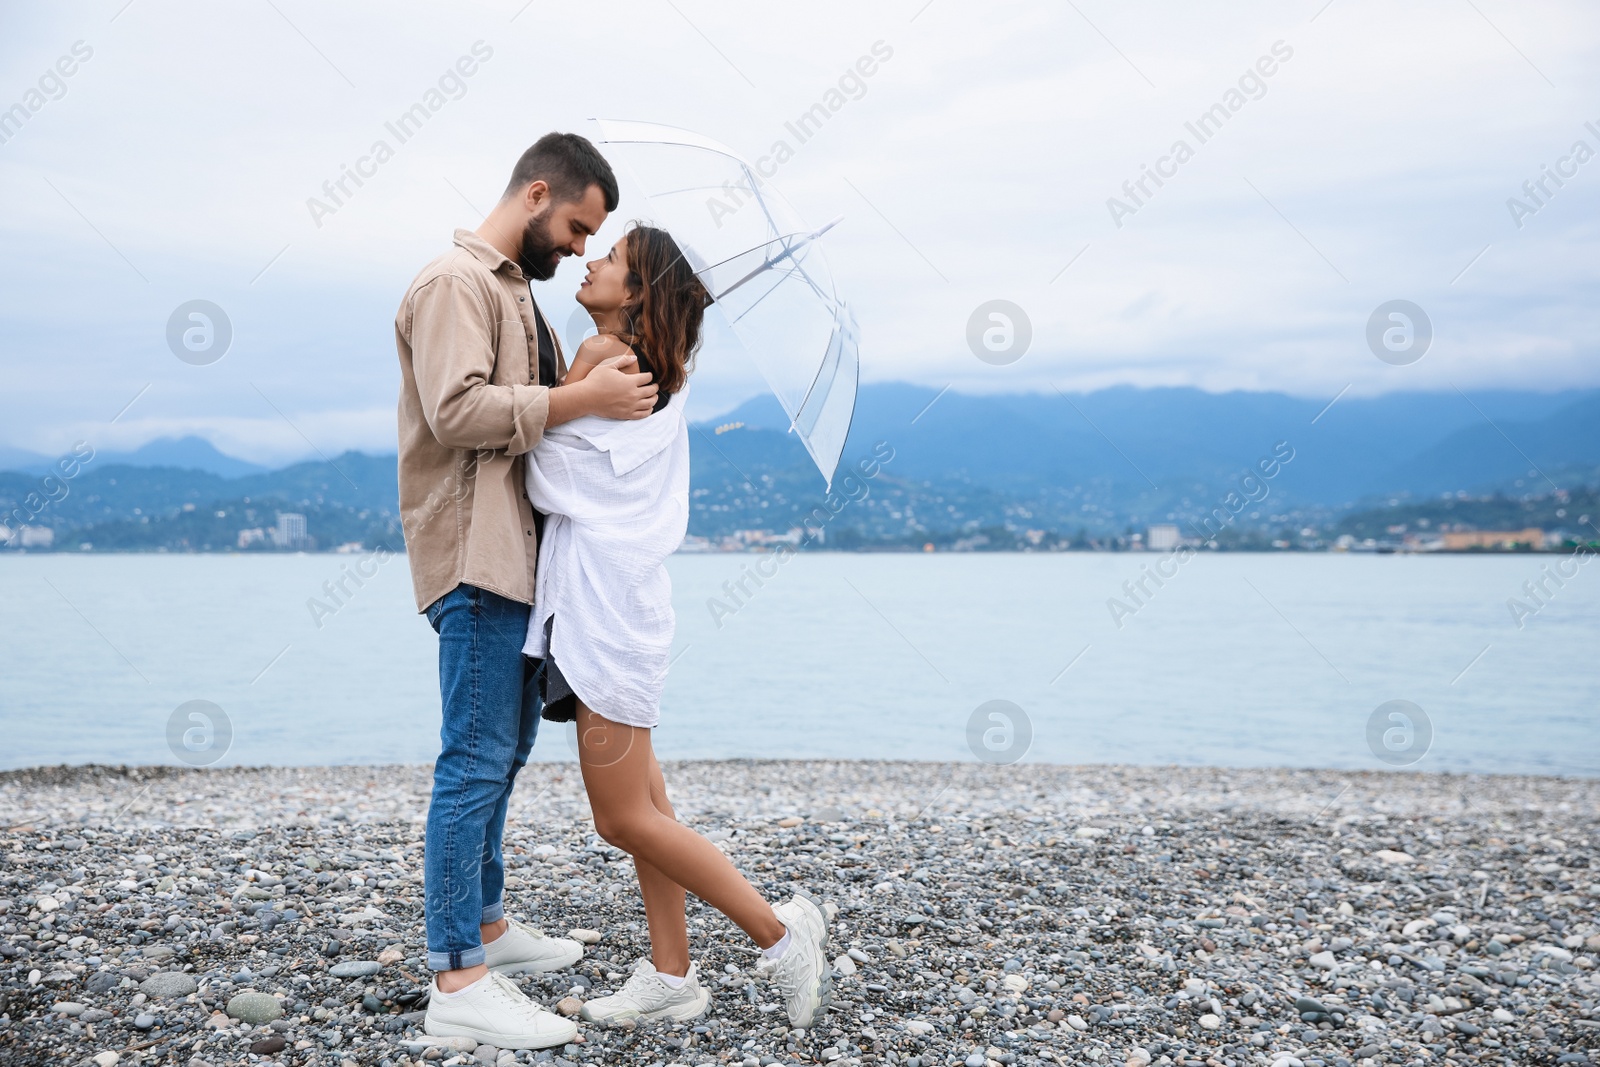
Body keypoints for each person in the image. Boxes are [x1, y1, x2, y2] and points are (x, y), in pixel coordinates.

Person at [520, 223, 833, 1029]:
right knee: (647, 807)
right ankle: (669, 973)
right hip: (624, 604)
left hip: (603, 612)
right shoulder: (659, 371)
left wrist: (560, 389)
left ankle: (778, 937)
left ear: (637, 295)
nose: (590, 259)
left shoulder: (602, 361)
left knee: (621, 817)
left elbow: (546, 468)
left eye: (612, 258)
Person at [394, 132, 660, 1050]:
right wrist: (580, 400)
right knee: (471, 758)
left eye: (594, 240)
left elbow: (542, 420)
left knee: (500, 753)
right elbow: (458, 412)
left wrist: (590, 370)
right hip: (473, 557)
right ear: (538, 192)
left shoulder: (520, 298)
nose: (583, 248)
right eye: (580, 227)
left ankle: (491, 928)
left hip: (520, 563)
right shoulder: (453, 283)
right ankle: (456, 976)